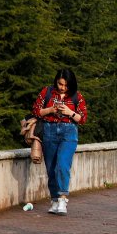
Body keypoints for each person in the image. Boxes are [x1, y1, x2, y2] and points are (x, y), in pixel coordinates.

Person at [32, 69, 88, 216]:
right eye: (60, 84)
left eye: (65, 85)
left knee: (62, 165)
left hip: (68, 132)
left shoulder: (77, 96)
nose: (62, 87)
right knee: (51, 168)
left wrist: (70, 112)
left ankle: (63, 198)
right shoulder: (47, 92)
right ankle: (55, 200)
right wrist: (51, 109)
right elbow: (36, 111)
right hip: (49, 130)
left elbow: (83, 119)